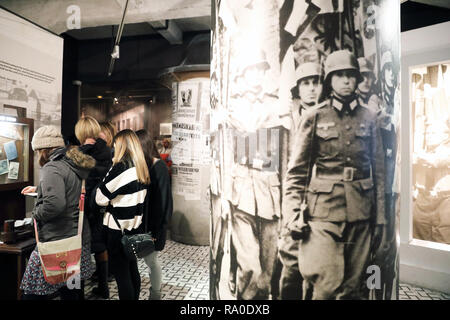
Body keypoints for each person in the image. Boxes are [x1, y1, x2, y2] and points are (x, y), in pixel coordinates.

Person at [283, 50, 386, 299]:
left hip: (361, 211)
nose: (347, 81)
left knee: (353, 288)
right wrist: (293, 214)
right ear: (330, 80)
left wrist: (380, 217)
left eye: (351, 75)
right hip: (323, 213)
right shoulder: (314, 117)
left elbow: (380, 171)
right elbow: (296, 174)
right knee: (326, 285)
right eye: (339, 76)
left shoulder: (369, 118)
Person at [20, 126, 95, 300]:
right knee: (72, 292)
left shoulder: (51, 168)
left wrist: (35, 213)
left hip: (56, 242)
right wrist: (41, 189)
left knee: (32, 294)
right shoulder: (72, 163)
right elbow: (69, 189)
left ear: (43, 149)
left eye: (37, 151)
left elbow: (54, 205)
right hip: (76, 242)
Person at [278, 62, 323, 300]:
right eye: (306, 83)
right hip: (292, 196)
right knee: (291, 260)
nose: (312, 89)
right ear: (298, 88)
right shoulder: (288, 115)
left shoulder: (328, 114)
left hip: (322, 198)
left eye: (316, 82)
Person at [95, 129, 150, 300]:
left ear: (122, 146)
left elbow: (100, 198)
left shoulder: (120, 167)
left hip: (117, 231)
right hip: (134, 229)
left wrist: (110, 169)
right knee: (133, 270)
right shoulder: (141, 167)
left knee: (122, 276)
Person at [75, 116, 113, 299]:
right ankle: (103, 287)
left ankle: (78, 289)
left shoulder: (81, 153)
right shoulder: (107, 151)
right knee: (100, 245)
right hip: (101, 204)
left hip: (83, 207)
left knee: (79, 248)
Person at [136, 130, 173, 300]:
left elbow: (165, 202)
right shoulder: (146, 165)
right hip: (144, 225)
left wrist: (157, 230)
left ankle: (156, 294)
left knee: (151, 262)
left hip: (154, 227)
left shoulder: (159, 167)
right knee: (147, 261)